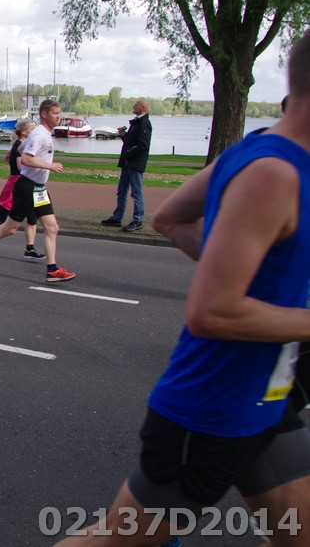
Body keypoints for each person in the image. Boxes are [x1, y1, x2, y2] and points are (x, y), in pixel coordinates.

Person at [54, 31, 310, 547]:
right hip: (212, 411)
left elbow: (169, 218)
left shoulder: (257, 150)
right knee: (115, 543)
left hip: (271, 397)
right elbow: (213, 312)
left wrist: (237, 268)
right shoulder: (274, 175)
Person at [0, 99, 76, 282]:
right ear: (44, 114)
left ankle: (52, 270)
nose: (59, 117)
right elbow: (25, 158)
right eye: (55, 113)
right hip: (28, 187)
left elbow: (20, 149)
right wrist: (49, 166)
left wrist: (25, 158)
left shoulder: (43, 134)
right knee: (10, 228)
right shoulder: (39, 134)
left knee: (52, 228)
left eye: (59, 113)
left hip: (39, 189)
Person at [0, 119, 45, 261]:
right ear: (24, 132)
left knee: (32, 217)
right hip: (16, 185)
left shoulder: (21, 145)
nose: (34, 131)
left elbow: (7, 157)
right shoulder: (18, 145)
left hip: (28, 185)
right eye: (32, 129)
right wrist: (40, 166)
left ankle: (29, 248)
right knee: (1, 217)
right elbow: (21, 167)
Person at [101, 98, 152, 232]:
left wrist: (128, 153)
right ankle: (117, 218)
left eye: (136, 105)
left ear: (142, 108)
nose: (133, 106)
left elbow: (143, 145)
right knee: (122, 191)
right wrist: (124, 136)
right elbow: (132, 142)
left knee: (136, 193)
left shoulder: (144, 123)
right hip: (127, 164)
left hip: (135, 164)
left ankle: (138, 220)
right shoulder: (136, 123)